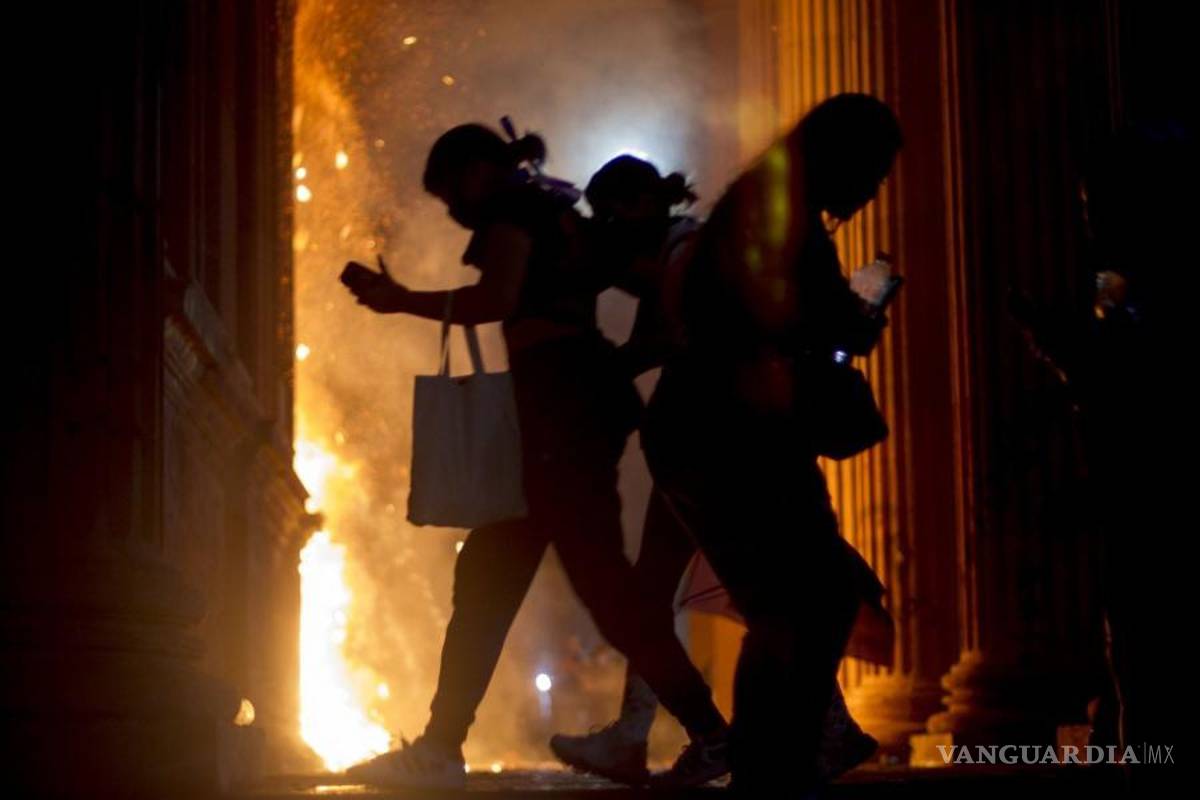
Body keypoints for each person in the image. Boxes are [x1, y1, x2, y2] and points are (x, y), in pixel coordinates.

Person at [337, 123, 728, 789]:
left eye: (449, 194)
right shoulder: (558, 213)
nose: (453, 211)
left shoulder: (516, 211)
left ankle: (713, 735)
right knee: (497, 576)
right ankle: (439, 745)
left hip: (556, 417)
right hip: (570, 412)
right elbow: (635, 276)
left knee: (594, 585)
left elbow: (497, 299)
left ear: (475, 171)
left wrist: (400, 301)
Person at [549, 154, 889, 786]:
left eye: (612, 216)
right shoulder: (685, 248)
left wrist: (597, 369)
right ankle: (655, 733)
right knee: (702, 590)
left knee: (746, 591)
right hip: (706, 447)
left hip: (712, 448)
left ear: (639, 205)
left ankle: (733, 738)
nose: (610, 233)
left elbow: (676, 340)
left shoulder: (687, 253)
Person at [641, 94, 901, 793]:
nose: (873, 191)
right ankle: (777, 770)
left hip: (710, 434)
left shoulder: (760, 206)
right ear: (845, 159)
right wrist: (856, 323)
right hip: (737, 438)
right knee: (807, 604)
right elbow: (804, 322)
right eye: (873, 172)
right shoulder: (785, 219)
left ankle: (774, 769)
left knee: (789, 608)